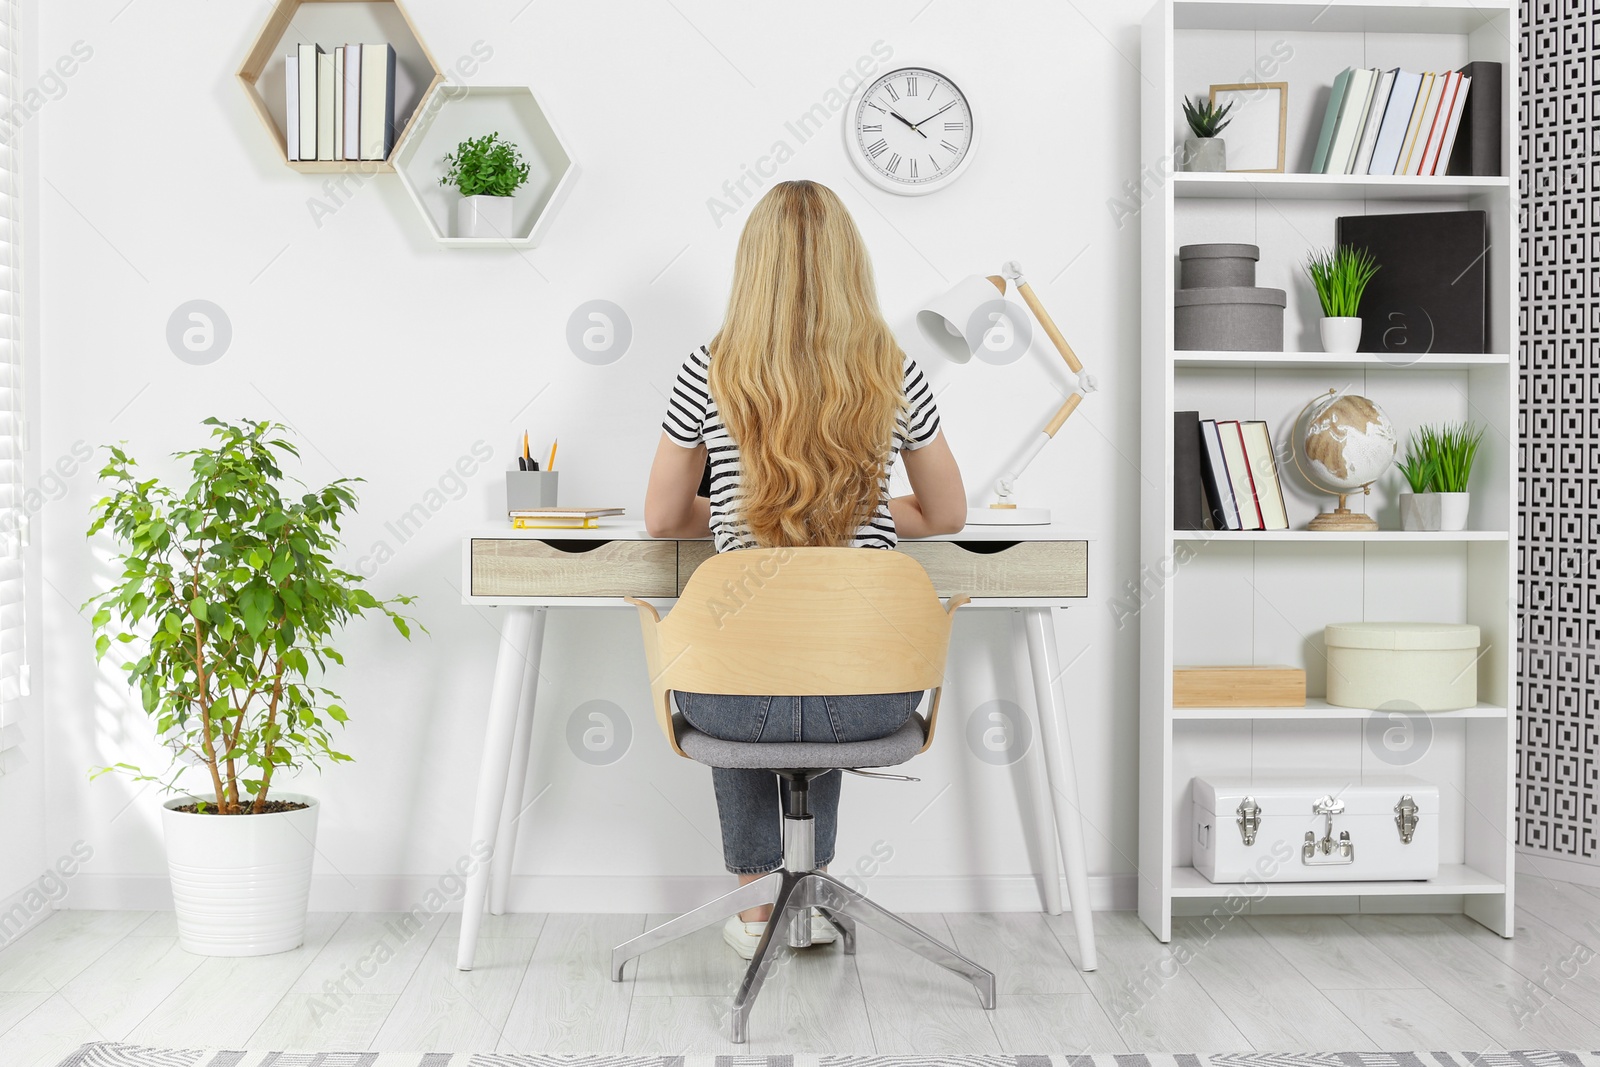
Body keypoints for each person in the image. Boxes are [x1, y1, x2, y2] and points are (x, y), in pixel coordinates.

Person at [643, 179, 966, 958]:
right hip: (869, 702)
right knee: (829, 647)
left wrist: (732, 518)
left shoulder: (709, 369)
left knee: (746, 651)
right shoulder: (893, 372)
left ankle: (759, 908)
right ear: (851, 266)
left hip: (734, 706)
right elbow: (948, 514)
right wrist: (877, 516)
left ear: (752, 268)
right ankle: (809, 895)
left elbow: (660, 518)